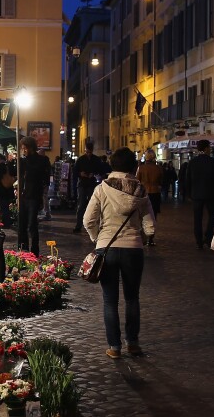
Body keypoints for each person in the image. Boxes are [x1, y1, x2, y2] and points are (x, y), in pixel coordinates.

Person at [82, 147, 155, 359]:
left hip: (107, 247)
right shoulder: (140, 190)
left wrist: (97, 238)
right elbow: (150, 227)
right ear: (134, 166)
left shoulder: (102, 188)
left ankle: (114, 347)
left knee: (109, 300)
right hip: (133, 249)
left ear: (111, 165)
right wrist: (143, 236)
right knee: (132, 298)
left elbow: (88, 220)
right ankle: (132, 343)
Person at [186, 140, 214, 249]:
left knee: (197, 219)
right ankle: (208, 236)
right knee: (212, 216)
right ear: (206, 148)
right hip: (210, 194)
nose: (210, 149)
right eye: (209, 147)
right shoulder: (213, 161)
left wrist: (189, 194)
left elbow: (188, 179)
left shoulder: (192, 162)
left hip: (196, 195)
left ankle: (199, 241)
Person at [17, 136, 50, 256]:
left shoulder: (41, 160)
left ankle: (34, 249)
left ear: (30, 148)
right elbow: (18, 176)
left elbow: (44, 177)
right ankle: (23, 247)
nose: (23, 150)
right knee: (22, 223)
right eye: (22, 148)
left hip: (34, 195)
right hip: (23, 195)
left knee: (32, 223)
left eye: (24, 148)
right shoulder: (23, 161)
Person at [73, 139, 103, 233]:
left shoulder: (96, 160)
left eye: (89, 152)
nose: (88, 154)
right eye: (87, 152)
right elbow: (75, 171)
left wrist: (93, 174)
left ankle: (93, 225)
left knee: (93, 205)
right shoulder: (81, 159)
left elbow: (100, 171)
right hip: (82, 183)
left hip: (91, 184)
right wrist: (80, 174)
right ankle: (78, 225)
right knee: (81, 204)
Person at [136, 150, 163, 244]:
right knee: (153, 215)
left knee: (141, 215)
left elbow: (137, 181)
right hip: (155, 193)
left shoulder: (141, 168)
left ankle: (143, 235)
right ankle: (151, 238)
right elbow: (161, 181)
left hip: (144, 193)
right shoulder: (158, 168)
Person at [0, 152, 16, 230]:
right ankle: (7, 222)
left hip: (2, 190)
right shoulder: (7, 165)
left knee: (3, 207)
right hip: (7, 190)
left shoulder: (0, 166)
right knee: (5, 207)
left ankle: (6, 223)